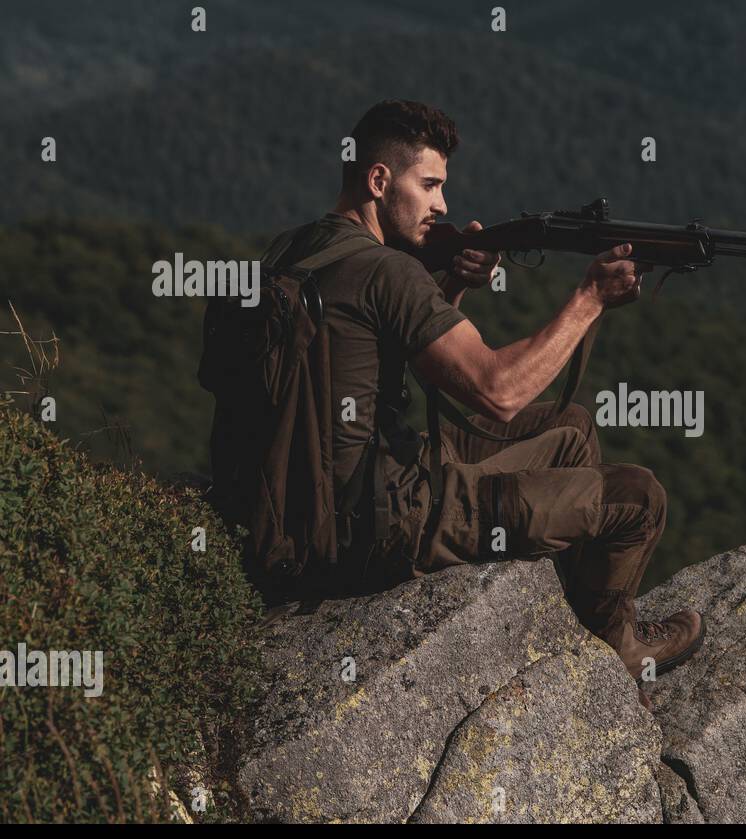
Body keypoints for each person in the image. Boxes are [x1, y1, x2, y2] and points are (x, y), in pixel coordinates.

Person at [260, 100, 704, 700]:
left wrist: (452, 287)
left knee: (570, 428)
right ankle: (615, 651)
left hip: (297, 505)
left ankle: (563, 613)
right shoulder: (389, 272)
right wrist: (590, 298)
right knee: (638, 497)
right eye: (431, 184)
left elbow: (376, 351)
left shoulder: (293, 251)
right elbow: (498, 392)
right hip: (382, 524)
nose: (443, 204)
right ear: (378, 180)